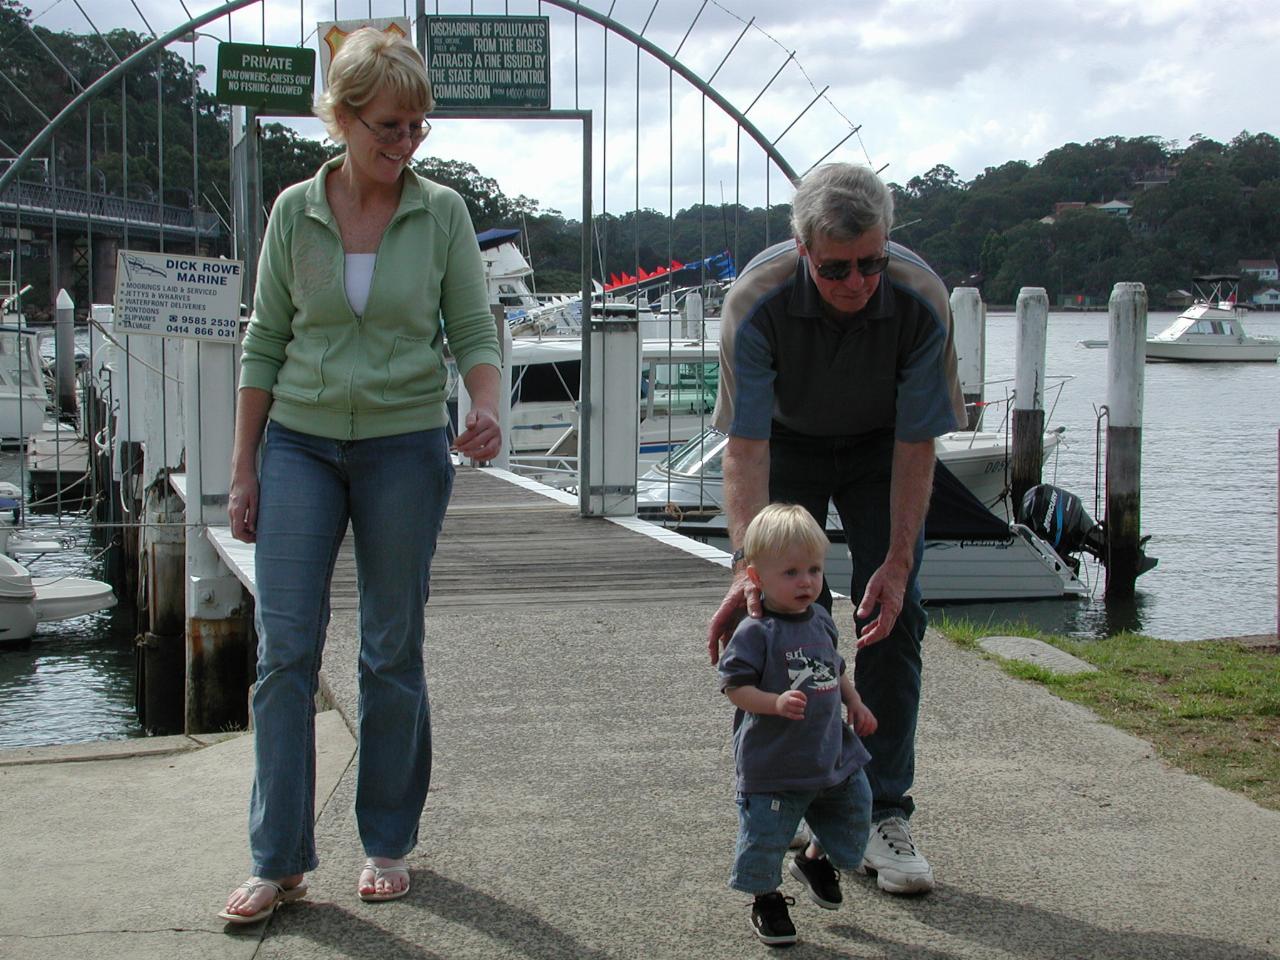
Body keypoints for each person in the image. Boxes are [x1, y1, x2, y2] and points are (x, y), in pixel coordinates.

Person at [219, 28, 502, 924]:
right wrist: (243, 471)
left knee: (390, 650)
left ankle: (385, 839)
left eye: (419, 126)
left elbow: (474, 329)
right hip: (297, 442)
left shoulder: (443, 212)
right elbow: (265, 339)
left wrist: (486, 404)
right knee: (285, 653)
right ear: (339, 119)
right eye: (387, 125)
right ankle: (279, 858)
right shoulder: (293, 211)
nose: (405, 143)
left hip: (404, 444)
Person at [707, 163, 966, 896]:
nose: (858, 283)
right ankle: (778, 791)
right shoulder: (756, 300)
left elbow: (919, 445)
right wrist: (745, 570)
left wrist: (899, 562)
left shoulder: (919, 298)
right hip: (786, 443)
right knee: (780, 614)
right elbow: (747, 448)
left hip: (882, 445)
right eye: (837, 270)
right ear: (801, 252)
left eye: (872, 264)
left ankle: (883, 809)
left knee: (895, 611)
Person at [718, 503, 877, 947]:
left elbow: (835, 668)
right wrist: (773, 701)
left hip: (830, 751)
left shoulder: (822, 619)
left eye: (813, 569)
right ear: (756, 578)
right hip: (775, 763)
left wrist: (855, 702)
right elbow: (733, 687)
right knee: (765, 840)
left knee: (854, 811)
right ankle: (766, 899)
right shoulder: (757, 632)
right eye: (790, 572)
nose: (806, 581)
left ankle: (813, 858)